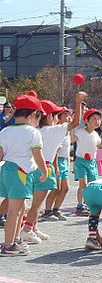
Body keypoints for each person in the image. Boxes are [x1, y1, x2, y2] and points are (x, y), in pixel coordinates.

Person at [22, 96, 84, 245]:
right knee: (37, 203)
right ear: (49, 117)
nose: (56, 118)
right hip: (44, 167)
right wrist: (78, 102)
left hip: (30, 167)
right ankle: (27, 230)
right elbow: (75, 122)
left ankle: (33, 226)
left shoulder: (35, 130)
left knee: (33, 202)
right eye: (55, 115)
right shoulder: (54, 130)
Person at [0, 94, 48, 256]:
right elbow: (37, 155)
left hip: (7, 170)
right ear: (33, 114)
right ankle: (8, 245)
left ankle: (15, 239)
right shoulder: (32, 132)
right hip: (21, 172)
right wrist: (44, 171)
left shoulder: (5, 131)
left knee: (19, 209)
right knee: (15, 211)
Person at [73, 109, 102, 216]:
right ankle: (80, 206)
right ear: (86, 120)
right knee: (83, 183)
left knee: (91, 185)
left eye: (99, 119)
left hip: (92, 162)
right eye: (94, 119)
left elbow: (99, 145)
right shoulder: (79, 132)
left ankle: (88, 204)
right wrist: (70, 129)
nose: (97, 121)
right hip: (81, 161)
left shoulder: (95, 134)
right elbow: (72, 139)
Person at [44, 107, 74, 221]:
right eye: (65, 116)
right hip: (57, 161)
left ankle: (56, 209)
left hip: (64, 162)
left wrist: (67, 163)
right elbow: (55, 151)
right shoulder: (56, 132)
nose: (68, 118)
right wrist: (56, 167)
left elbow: (70, 143)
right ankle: (47, 211)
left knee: (65, 188)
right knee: (56, 188)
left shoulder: (66, 132)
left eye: (69, 115)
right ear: (59, 118)